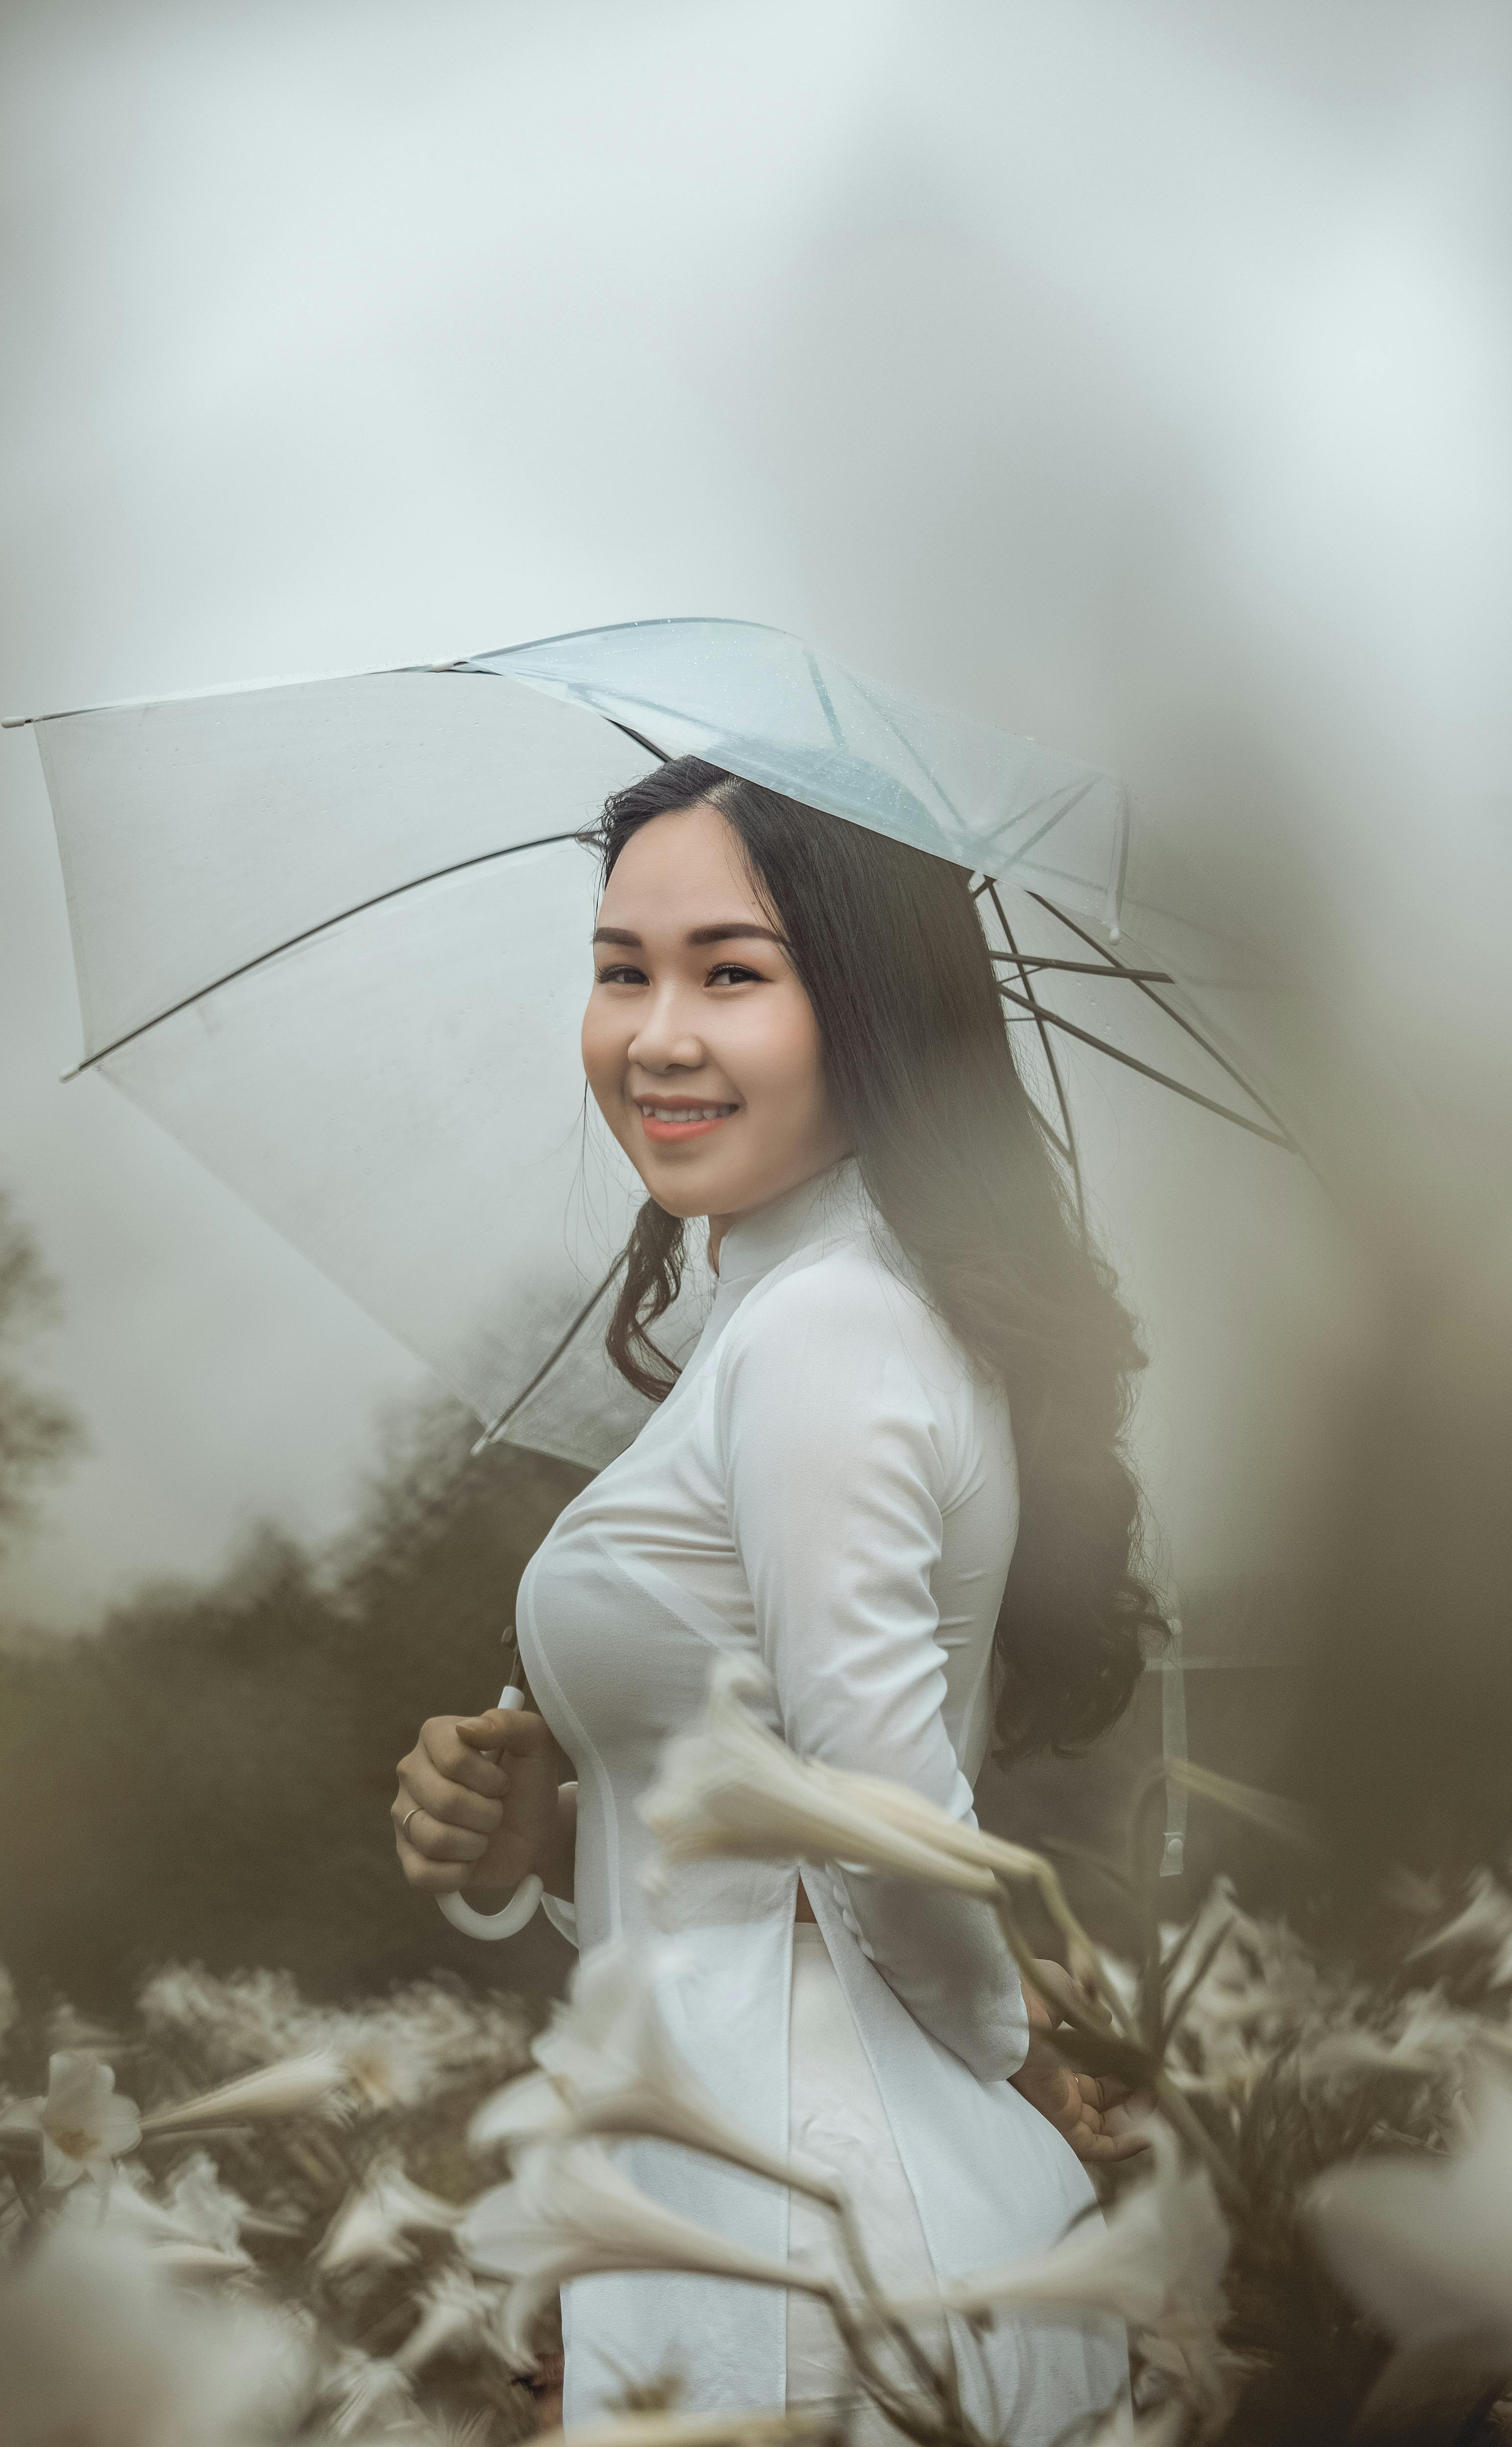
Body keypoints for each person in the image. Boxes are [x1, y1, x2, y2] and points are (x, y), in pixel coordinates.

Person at [392, 757, 1163, 2441]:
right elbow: (784, 1853)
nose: (657, 1034)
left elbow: (877, 1812)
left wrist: (1010, 2059)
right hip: (773, 2192)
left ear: (868, 1007)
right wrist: (557, 1833)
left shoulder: (829, 1329)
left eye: (732, 974)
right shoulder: (799, 1308)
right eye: (622, 969)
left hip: (808, 2225)